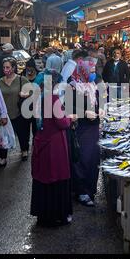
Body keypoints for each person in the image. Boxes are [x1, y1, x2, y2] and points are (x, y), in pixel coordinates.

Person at [31, 70, 75, 227]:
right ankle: (58, 216)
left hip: (41, 141)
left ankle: (43, 215)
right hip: (54, 145)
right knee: (57, 177)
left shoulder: (39, 96)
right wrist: (70, 117)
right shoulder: (52, 98)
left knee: (43, 179)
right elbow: (62, 123)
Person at [69, 54, 103, 207]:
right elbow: (69, 111)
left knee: (93, 160)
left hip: (94, 128)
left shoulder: (94, 85)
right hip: (81, 130)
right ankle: (81, 192)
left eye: (95, 70)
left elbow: (101, 102)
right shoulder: (72, 86)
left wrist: (101, 110)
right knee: (81, 160)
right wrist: (84, 114)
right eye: (92, 70)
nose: (94, 73)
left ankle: (91, 190)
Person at [0, 57, 32, 164]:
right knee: (4, 135)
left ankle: (24, 151)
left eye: (7, 67)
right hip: (5, 114)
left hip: (19, 113)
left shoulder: (22, 80)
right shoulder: (0, 81)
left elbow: (32, 91)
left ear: (13, 68)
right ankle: (3, 158)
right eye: (4, 67)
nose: (5, 69)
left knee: (23, 133)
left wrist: (26, 94)